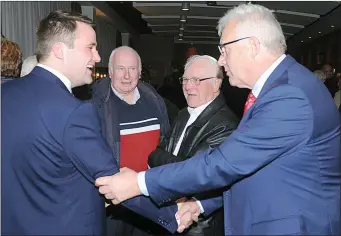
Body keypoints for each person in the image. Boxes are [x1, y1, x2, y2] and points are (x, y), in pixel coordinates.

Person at [96, 3, 341, 235]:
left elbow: (223, 164)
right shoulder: (279, 89)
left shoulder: (289, 96)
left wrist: (139, 182)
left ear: (252, 46)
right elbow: (248, 167)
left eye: (225, 50)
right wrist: (201, 205)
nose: (221, 61)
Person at [1, 10, 194, 235]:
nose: (97, 57)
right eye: (90, 47)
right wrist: (174, 214)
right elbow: (112, 182)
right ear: (60, 51)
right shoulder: (74, 113)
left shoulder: (6, 94)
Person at [148, 55, 239, 236]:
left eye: (197, 80)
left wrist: (158, 159)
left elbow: (193, 178)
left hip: (200, 227)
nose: (188, 86)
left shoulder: (226, 125)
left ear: (216, 84)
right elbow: (159, 154)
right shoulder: (183, 114)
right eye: (186, 79)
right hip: (172, 217)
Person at [91, 46, 171, 236]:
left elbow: (166, 141)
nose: (127, 75)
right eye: (120, 69)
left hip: (150, 198)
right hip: (115, 205)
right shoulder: (96, 106)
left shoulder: (155, 101)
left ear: (140, 72)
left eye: (132, 69)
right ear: (110, 72)